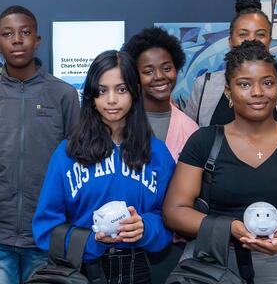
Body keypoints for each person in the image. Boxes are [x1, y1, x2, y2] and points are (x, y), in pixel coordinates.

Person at [163, 41, 277, 284]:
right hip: (208, 266)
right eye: (244, 84)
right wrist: (228, 227)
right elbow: (174, 211)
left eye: (267, 83)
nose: (257, 92)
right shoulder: (204, 140)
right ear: (228, 92)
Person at [33, 50, 174, 283]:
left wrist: (145, 228)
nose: (111, 100)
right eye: (102, 90)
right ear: (91, 96)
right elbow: (46, 228)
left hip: (139, 268)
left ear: (135, 92)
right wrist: (91, 241)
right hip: (82, 270)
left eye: (121, 89)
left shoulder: (157, 153)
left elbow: (169, 220)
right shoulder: (67, 153)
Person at [0, 5, 80, 283]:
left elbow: (76, 163)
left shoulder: (63, 94)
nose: (17, 39)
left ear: (37, 40)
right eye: (8, 34)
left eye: (25, 32)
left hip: (46, 232)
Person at [122, 27, 199, 282]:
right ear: (134, 76)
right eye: (148, 71)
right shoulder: (118, 123)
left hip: (173, 246)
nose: (159, 77)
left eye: (166, 67)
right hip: (123, 244)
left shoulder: (190, 129)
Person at [182, 0, 277, 127]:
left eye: (260, 34)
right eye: (243, 34)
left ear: (270, 41)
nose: (251, 40)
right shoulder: (204, 85)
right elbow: (189, 133)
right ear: (230, 41)